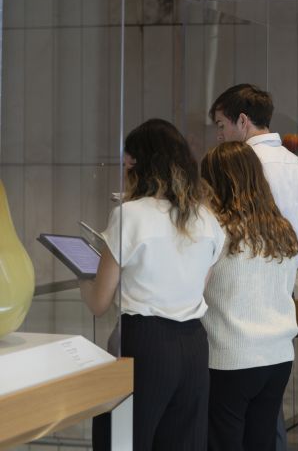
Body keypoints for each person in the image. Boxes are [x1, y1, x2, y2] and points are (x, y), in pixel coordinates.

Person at [80, 119, 226, 451]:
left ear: (137, 164)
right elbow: (200, 284)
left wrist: (83, 281)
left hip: (143, 344)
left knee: (122, 442)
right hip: (193, 345)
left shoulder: (129, 215)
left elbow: (99, 302)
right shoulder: (205, 218)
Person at [209, 83, 298, 450]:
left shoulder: (240, 173)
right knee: (264, 434)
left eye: (221, 125)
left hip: (236, 332)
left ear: (242, 120)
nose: (219, 136)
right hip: (277, 328)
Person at [200, 141, 298, 451]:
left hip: (231, 357)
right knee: (261, 442)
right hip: (278, 356)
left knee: (223, 442)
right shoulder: (280, 230)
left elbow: (195, 287)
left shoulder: (216, 229)